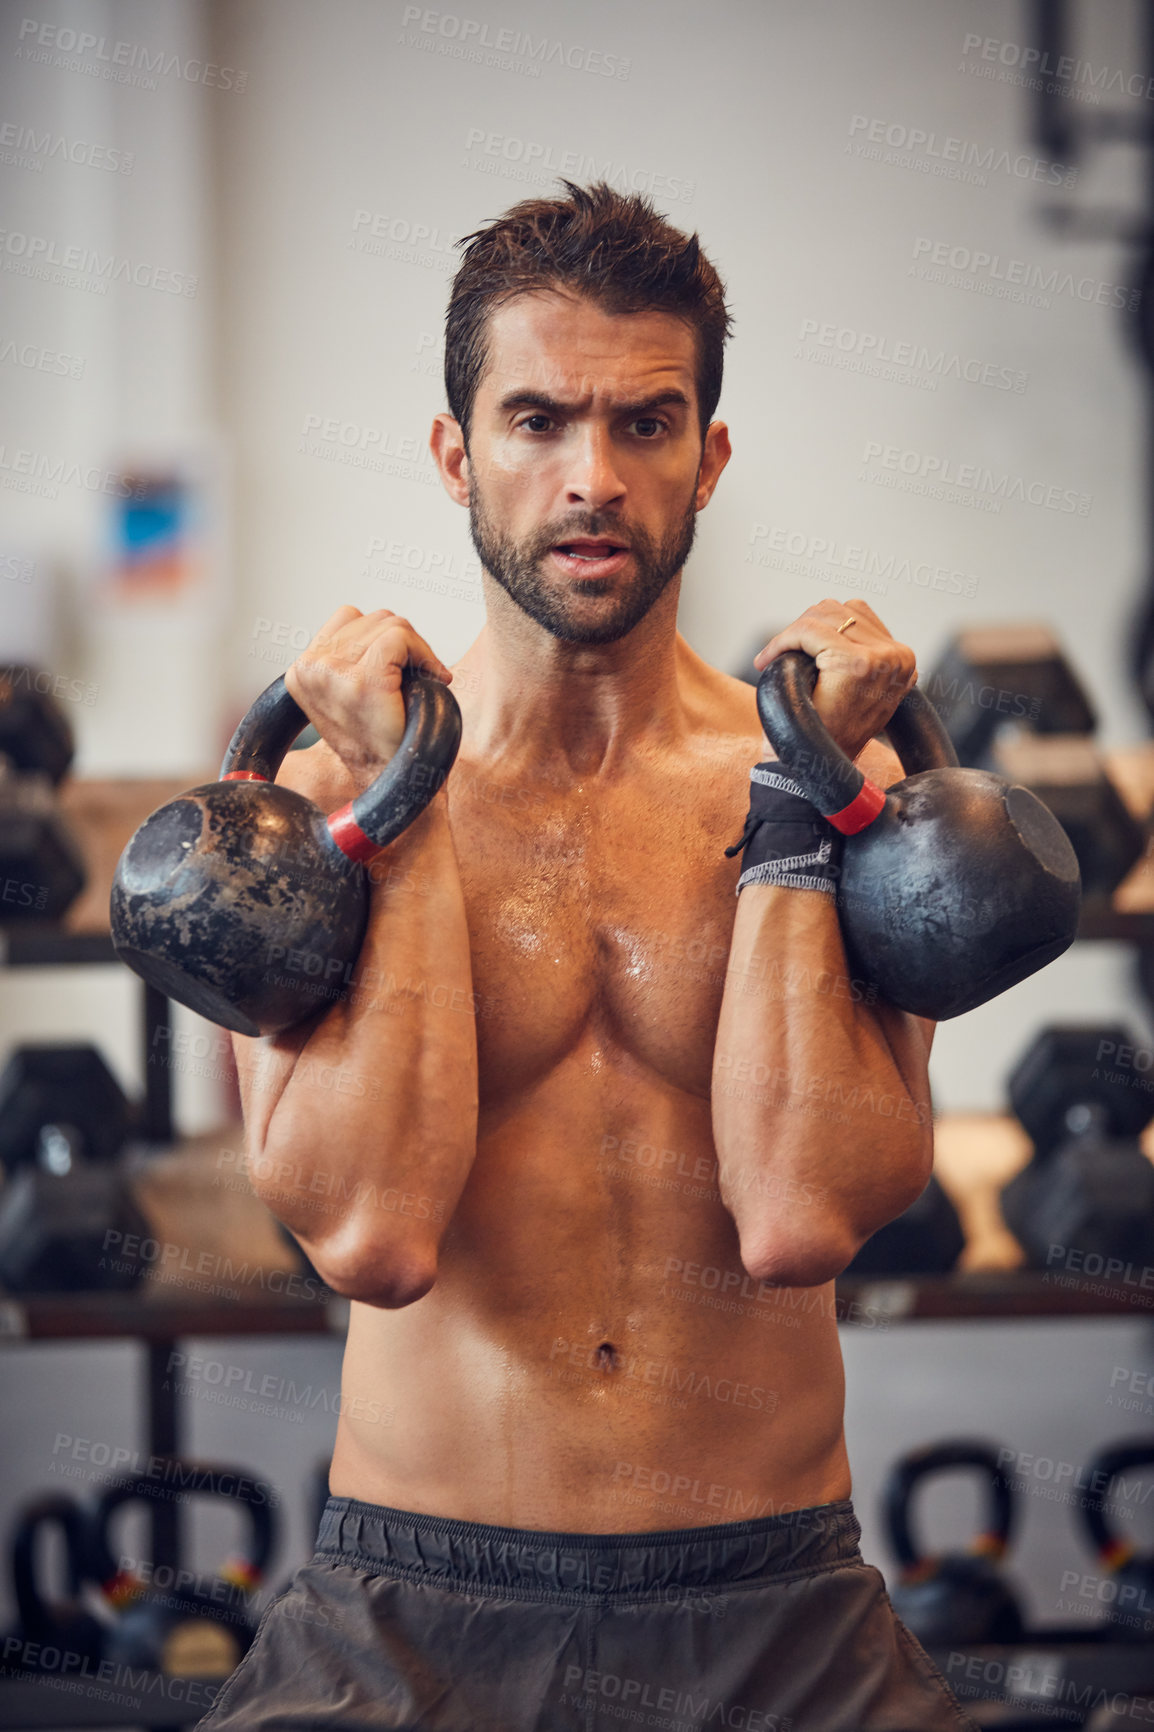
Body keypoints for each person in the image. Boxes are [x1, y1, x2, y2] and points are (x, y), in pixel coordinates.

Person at [199, 180, 977, 1731]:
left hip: (776, 1606)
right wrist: (411, 798)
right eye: (538, 419)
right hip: (408, 1612)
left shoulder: (839, 796)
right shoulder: (328, 803)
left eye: (644, 423)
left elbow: (801, 1213)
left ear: (711, 454)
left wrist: (787, 813)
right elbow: (369, 1240)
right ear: (454, 452)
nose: (590, 477)